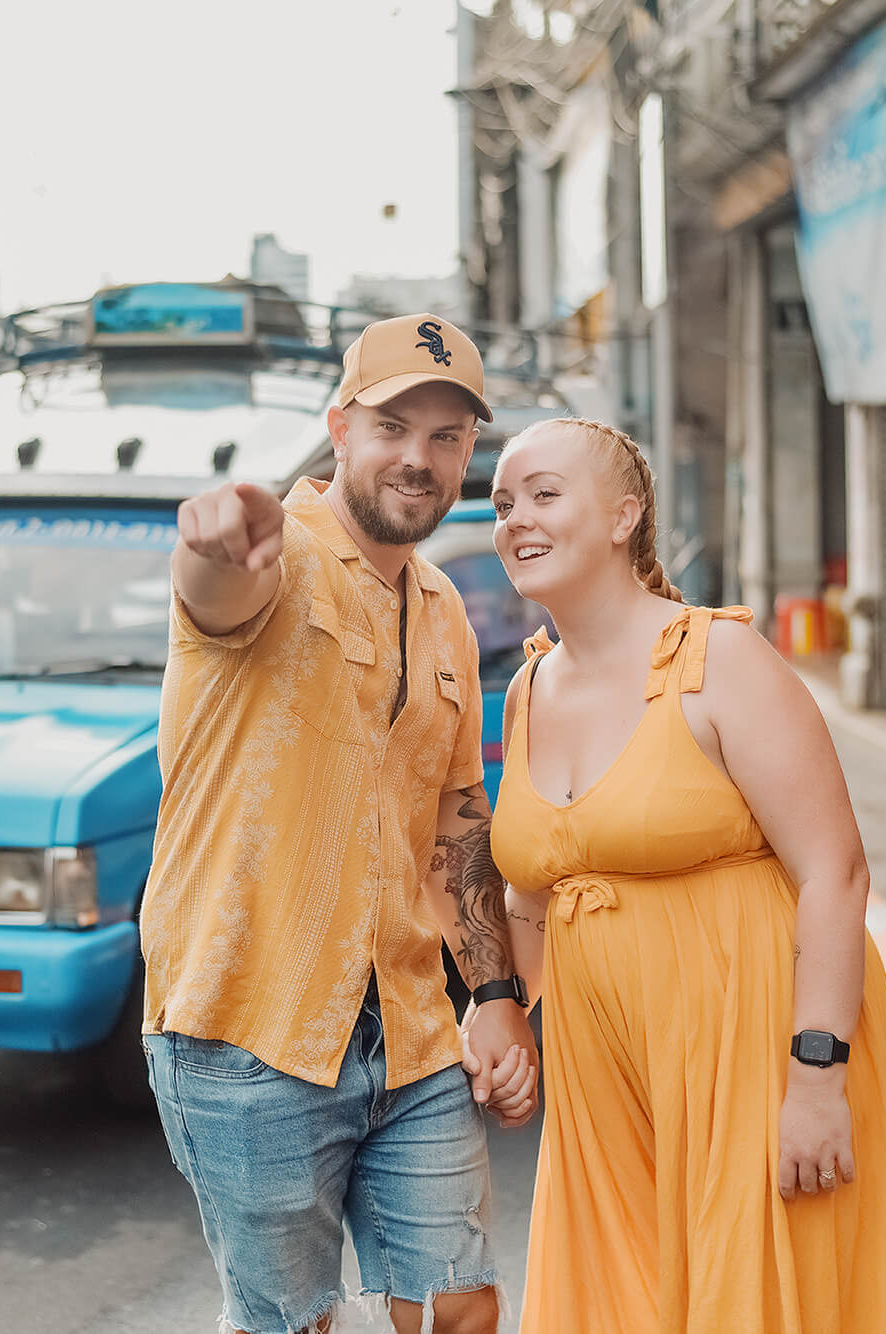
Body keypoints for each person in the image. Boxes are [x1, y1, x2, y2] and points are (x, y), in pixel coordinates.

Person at [140, 313, 539, 1334]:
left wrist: (493, 993)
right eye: (392, 424)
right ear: (339, 429)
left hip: (407, 1035)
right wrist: (216, 540)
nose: (418, 455)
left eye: (446, 435)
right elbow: (215, 590)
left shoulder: (445, 603)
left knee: (457, 1305)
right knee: (291, 1323)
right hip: (248, 1030)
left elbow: (456, 820)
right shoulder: (281, 556)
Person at [487, 416, 886, 1331]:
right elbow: (529, 894)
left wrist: (818, 1079)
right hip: (602, 1080)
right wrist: (509, 1010)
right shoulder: (527, 689)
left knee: (744, 1304)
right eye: (504, 502)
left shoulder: (720, 661)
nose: (517, 518)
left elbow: (836, 872)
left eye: (546, 495)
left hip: (751, 1047)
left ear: (625, 514)